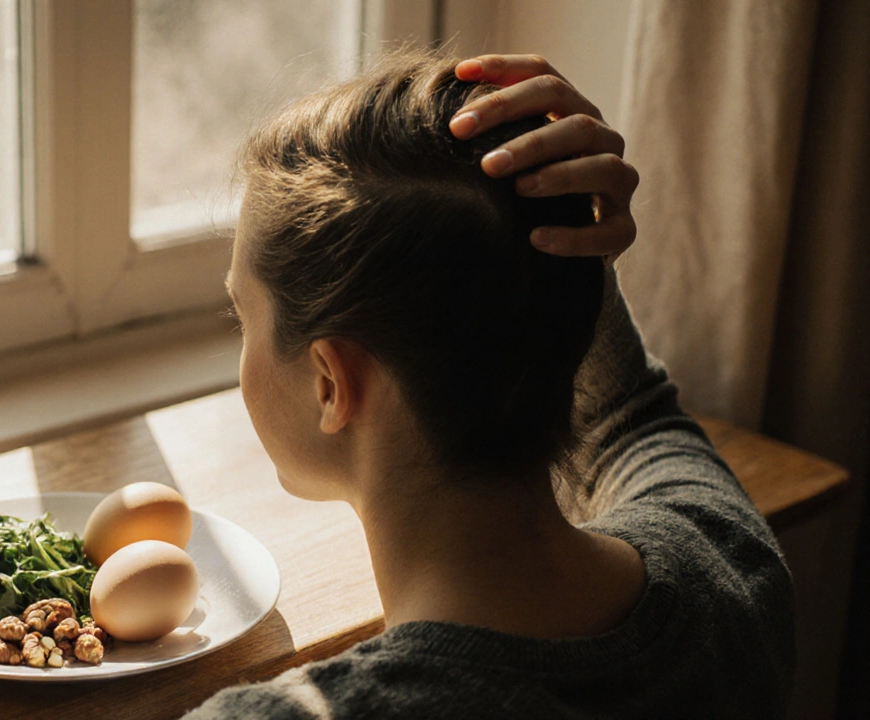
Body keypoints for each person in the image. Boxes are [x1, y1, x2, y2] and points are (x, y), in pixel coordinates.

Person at [184, 51, 795, 719]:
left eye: (243, 315)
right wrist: (559, 240)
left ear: (330, 384)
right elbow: (632, 413)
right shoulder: (730, 568)